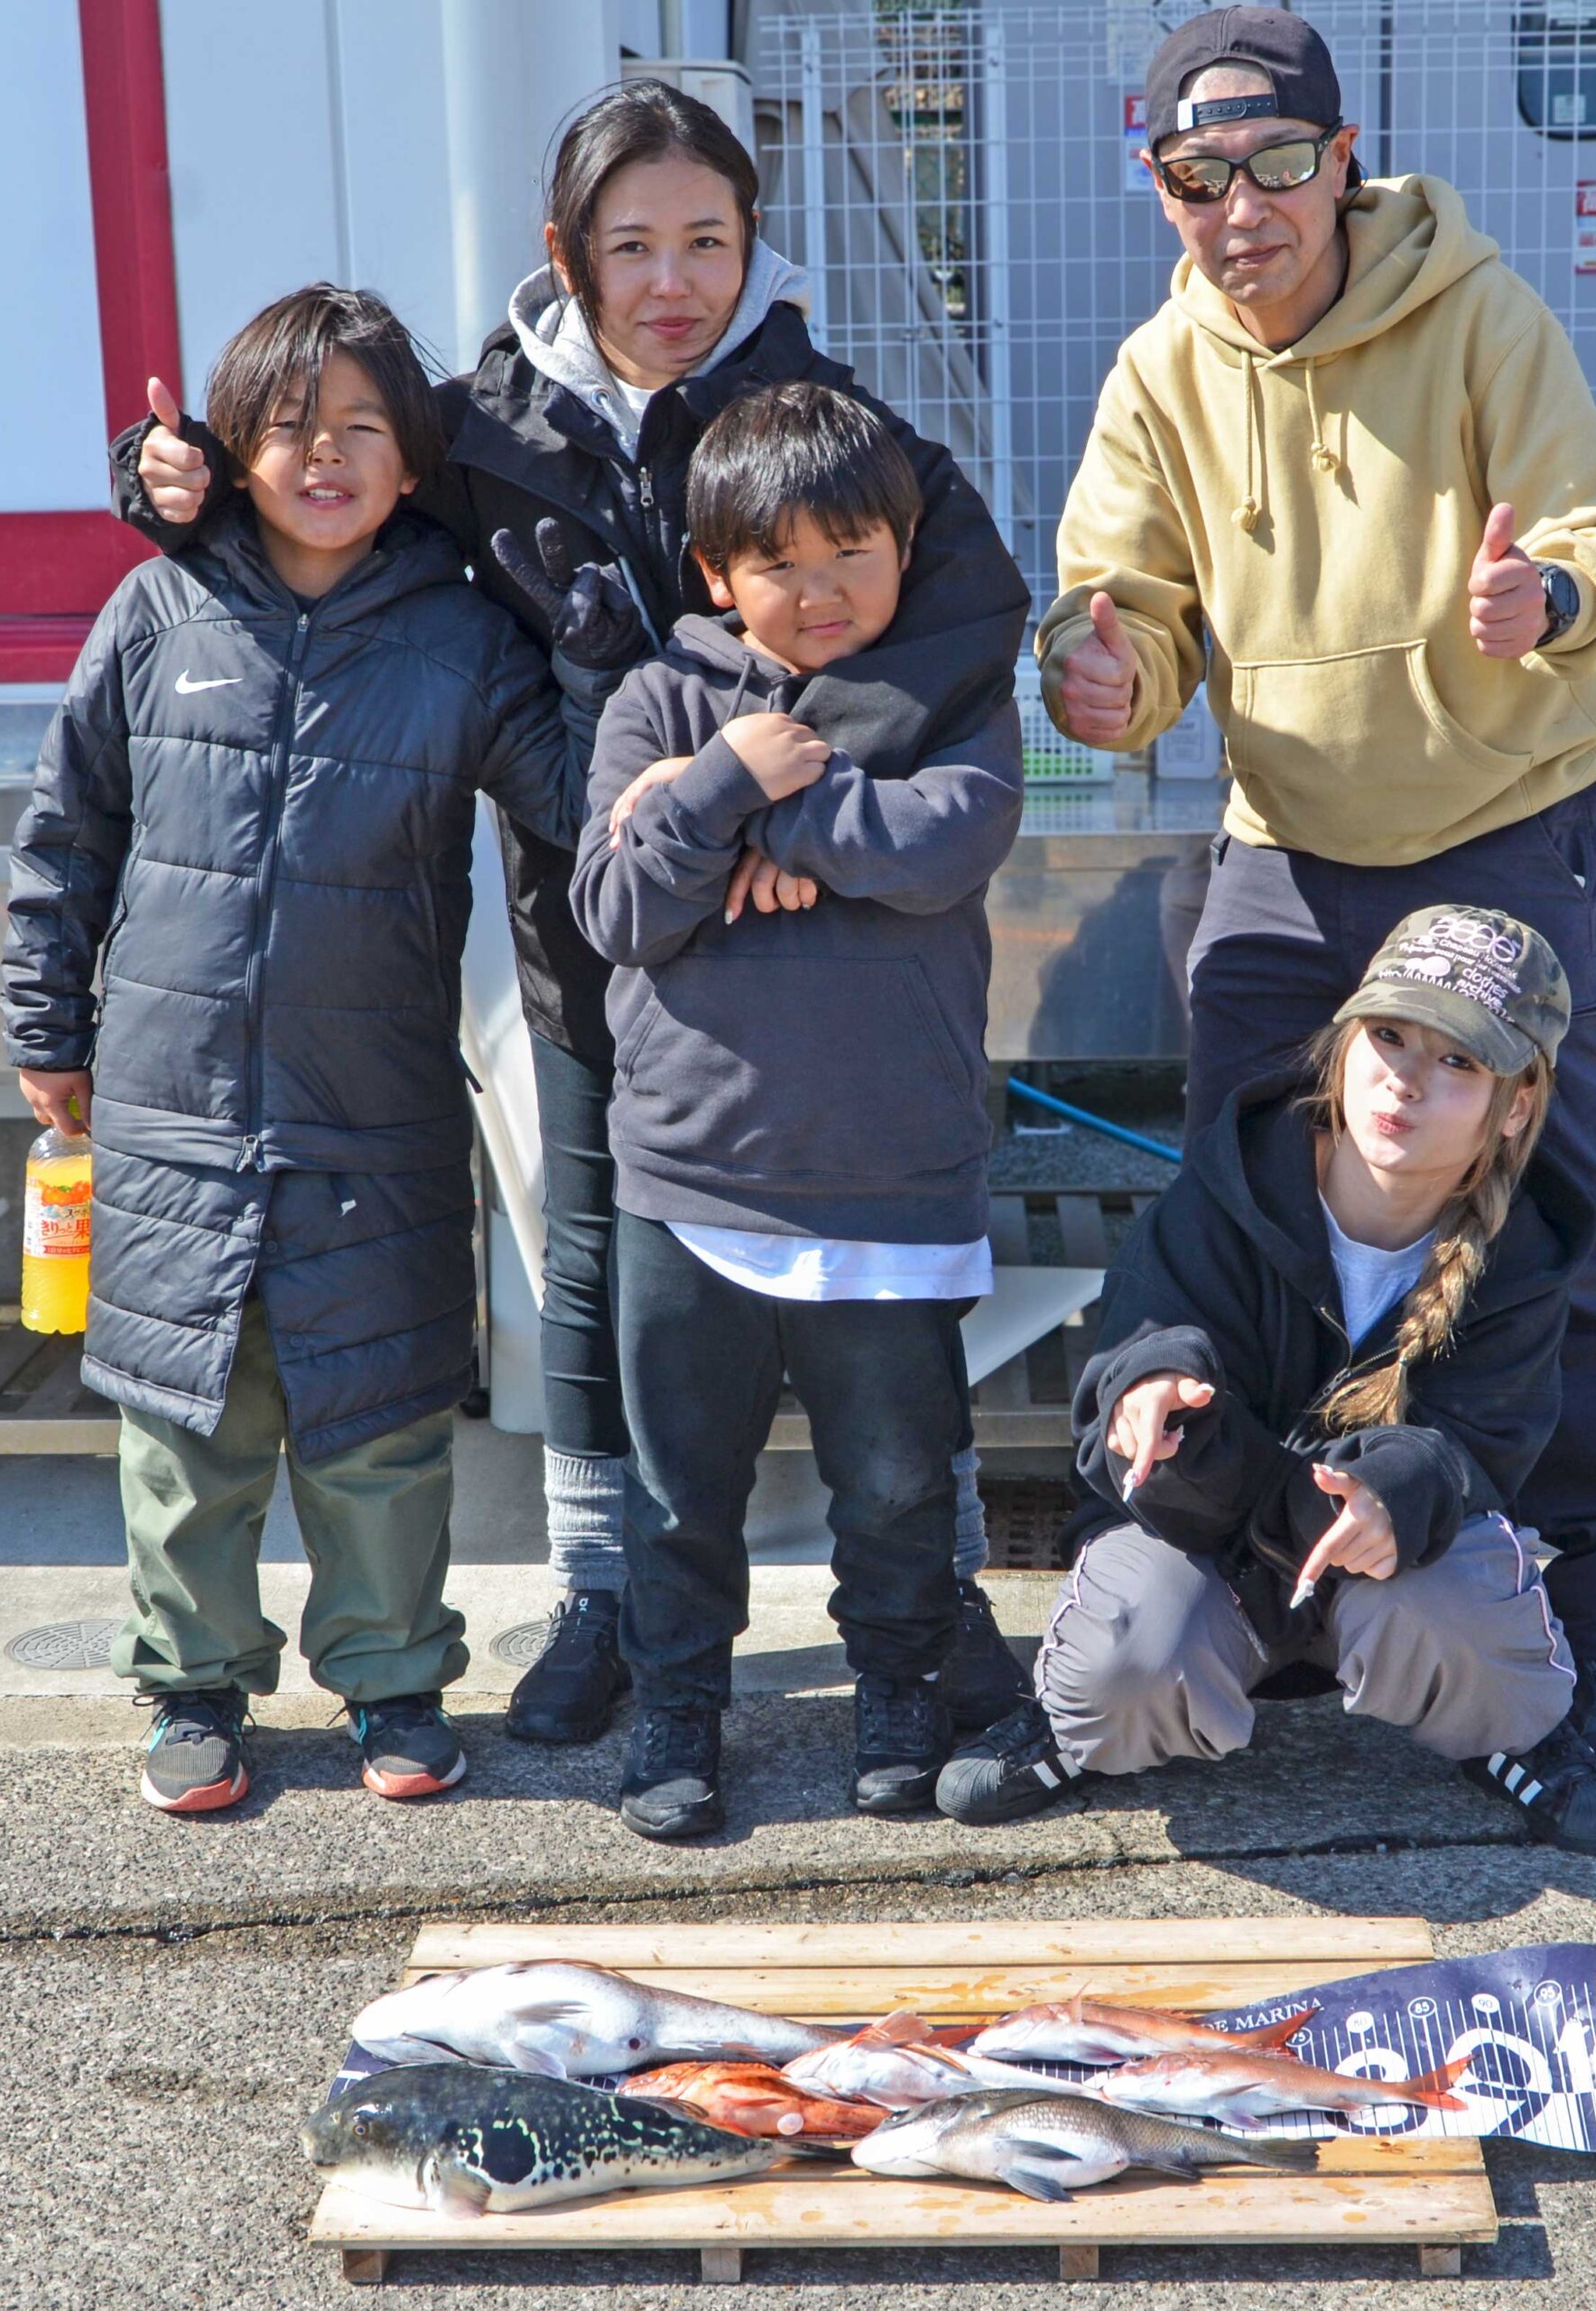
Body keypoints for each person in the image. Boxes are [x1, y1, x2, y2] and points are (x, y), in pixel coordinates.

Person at [109, 79, 1033, 1748]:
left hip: (832, 941)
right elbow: (323, 493)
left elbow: (965, 614)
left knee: (891, 1313)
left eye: (707, 241)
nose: (671, 280)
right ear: (567, 254)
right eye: (632, 246)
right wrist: (160, 479)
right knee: (602, 1264)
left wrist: (795, 795)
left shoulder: (817, 411)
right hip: (600, 912)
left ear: (752, 247)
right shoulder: (481, 426)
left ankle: (930, 1613)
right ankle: (609, 1605)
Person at [1037, 7, 1596, 1788]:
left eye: (1269, 163)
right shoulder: (1157, 372)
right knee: (1241, 1195)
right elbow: (1127, 602)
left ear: (1337, 159)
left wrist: (1543, 603)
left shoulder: (1476, 312)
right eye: (1192, 176)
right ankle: (1264, 1579)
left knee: (1586, 1223)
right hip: (1290, 846)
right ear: (1161, 189)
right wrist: (1106, 675)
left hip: (1502, 823)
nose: (1234, 206)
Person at [5, 286, 588, 1814]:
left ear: (414, 460)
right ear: (224, 448)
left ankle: (393, 1679)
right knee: (185, 1427)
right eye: (286, 427)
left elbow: (578, 804)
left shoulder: (463, 633)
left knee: (377, 1421)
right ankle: (192, 1688)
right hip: (168, 1097)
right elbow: (67, 826)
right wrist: (43, 1018)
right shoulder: (157, 611)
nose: (323, 457)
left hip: (372, 1098)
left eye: (361, 429)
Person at [939, 907, 1596, 1858]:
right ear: (1341, 1047)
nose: (1404, 1077)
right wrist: (1147, 1395)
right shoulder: (1221, 1191)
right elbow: (1145, 1349)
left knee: (1471, 1623)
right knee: (1123, 1662)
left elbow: (1485, 1449)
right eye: (1387, 1036)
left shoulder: (1526, 1253)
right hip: (1210, 1537)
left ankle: (1510, 1736)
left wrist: (1393, 1490)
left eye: (1459, 1062)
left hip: (1389, 1564)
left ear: (1512, 1107)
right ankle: (1077, 1737)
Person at [570, 381, 1024, 1840]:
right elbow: (613, 905)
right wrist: (718, 786)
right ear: (716, 573)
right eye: (781, 563)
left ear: (907, 546)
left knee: (895, 1490)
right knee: (674, 1492)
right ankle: (677, 1712)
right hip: (689, 1183)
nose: (821, 592)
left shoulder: (954, 696)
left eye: (855, 553)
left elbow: (946, 840)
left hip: (889, 1180)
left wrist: (768, 816)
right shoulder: (657, 703)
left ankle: (897, 1688)